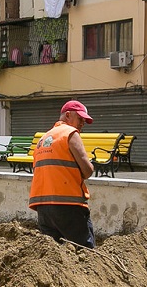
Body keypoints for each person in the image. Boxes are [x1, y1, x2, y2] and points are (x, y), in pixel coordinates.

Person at [30, 101, 98, 249]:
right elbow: (87, 170)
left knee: (53, 257)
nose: (82, 123)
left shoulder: (43, 139)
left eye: (84, 121)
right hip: (69, 205)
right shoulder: (70, 133)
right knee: (86, 253)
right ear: (68, 115)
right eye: (80, 119)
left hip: (43, 207)